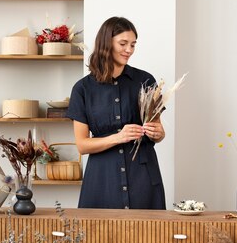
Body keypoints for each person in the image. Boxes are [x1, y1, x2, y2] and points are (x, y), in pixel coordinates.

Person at [66, 16, 166, 209]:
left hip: (143, 178)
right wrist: (118, 137)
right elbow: (82, 145)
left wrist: (158, 134)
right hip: (103, 180)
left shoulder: (146, 81)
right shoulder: (83, 89)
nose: (129, 50)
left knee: (149, 237)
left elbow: (159, 130)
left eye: (133, 45)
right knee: (99, 237)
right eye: (123, 43)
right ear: (106, 43)